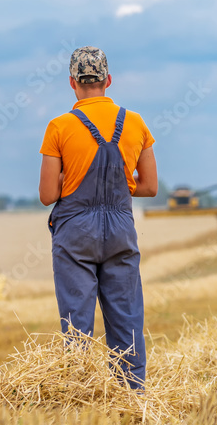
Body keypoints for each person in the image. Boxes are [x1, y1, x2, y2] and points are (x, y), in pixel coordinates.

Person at [38, 46, 158, 388]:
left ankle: (79, 400)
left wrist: (70, 179)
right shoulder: (135, 123)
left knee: (77, 325)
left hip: (75, 232)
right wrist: (118, 184)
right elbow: (149, 186)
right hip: (120, 229)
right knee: (127, 319)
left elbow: (48, 195)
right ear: (107, 80)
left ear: (72, 83)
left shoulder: (59, 126)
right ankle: (132, 398)